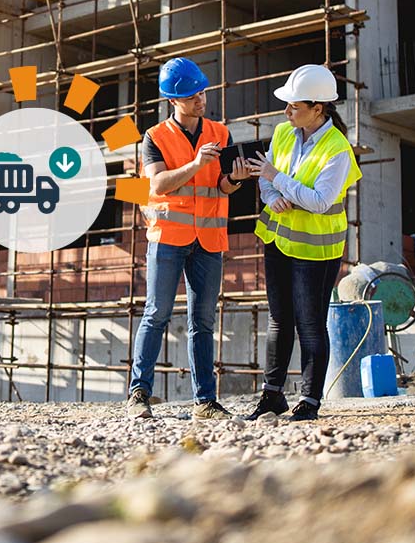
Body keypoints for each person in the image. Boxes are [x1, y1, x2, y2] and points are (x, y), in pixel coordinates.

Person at [125, 57, 253, 420]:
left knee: (203, 322)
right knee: (156, 314)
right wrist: (196, 163)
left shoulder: (221, 132)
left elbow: (222, 186)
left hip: (209, 241)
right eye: (193, 94)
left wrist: (237, 179)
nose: (201, 99)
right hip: (168, 237)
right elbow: (159, 183)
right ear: (173, 100)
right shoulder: (156, 137)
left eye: (202, 91)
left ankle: (206, 402)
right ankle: (138, 395)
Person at [243, 64, 362, 421]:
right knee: (279, 321)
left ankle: (309, 400)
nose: (287, 111)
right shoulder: (283, 132)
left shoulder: (337, 148)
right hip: (278, 239)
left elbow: (320, 200)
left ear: (318, 108)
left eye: (294, 105)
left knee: (310, 323)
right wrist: (269, 195)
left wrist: (276, 178)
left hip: (316, 249)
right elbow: (264, 176)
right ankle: (272, 394)